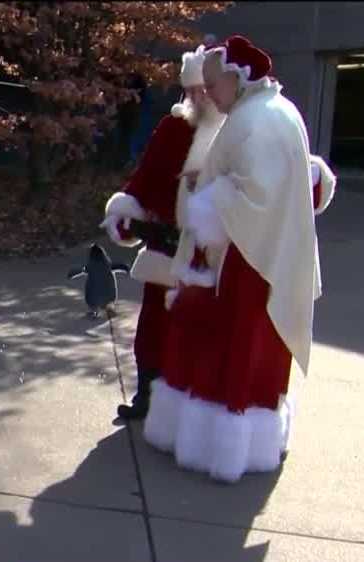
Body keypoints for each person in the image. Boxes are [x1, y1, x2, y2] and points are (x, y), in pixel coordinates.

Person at [143, 35, 336, 483]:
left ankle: (220, 449)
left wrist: (204, 202)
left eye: (211, 84)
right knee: (251, 358)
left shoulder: (257, 120)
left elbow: (255, 196)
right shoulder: (270, 112)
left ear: (236, 76)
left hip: (245, 268)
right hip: (259, 261)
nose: (206, 93)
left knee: (228, 355)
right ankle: (236, 444)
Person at [100, 44, 226, 420]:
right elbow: (145, 179)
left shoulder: (237, 132)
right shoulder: (172, 128)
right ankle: (147, 395)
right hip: (167, 249)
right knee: (154, 326)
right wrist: (126, 209)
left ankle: (193, 400)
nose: (195, 98)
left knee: (201, 330)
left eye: (203, 90)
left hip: (213, 254)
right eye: (189, 91)